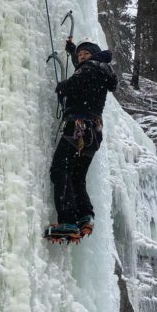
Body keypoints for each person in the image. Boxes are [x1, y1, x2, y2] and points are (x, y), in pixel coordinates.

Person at [46, 37, 117, 242]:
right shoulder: (101, 70)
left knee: (60, 170)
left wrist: (62, 87)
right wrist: (72, 51)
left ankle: (68, 222)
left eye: (85, 53)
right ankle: (85, 217)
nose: (82, 56)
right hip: (93, 133)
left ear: (93, 56)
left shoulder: (90, 68)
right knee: (77, 176)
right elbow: (84, 70)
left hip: (78, 128)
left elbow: (75, 81)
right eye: (80, 54)